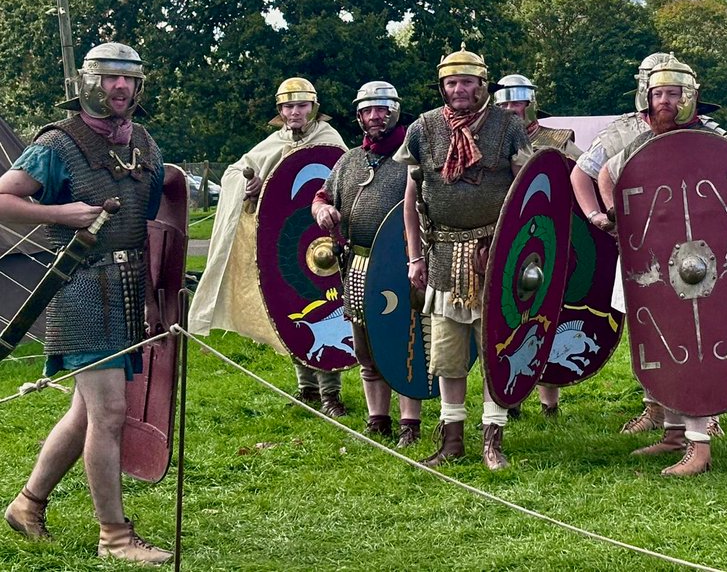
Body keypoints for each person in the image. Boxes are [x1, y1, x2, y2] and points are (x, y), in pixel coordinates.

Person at [0, 43, 171, 563]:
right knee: (109, 413)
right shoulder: (58, 143)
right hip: (81, 289)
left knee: (85, 414)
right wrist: (60, 214)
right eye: (110, 80)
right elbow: (3, 196)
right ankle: (114, 536)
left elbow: (153, 220)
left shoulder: (143, 141)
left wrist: (152, 294)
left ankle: (27, 505)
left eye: (130, 80)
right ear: (87, 84)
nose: (121, 89)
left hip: (126, 290)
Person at [570, 50, 727, 436]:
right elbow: (591, 174)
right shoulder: (625, 132)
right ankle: (658, 409)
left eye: (674, 92)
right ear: (644, 92)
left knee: (702, 328)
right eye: (657, 91)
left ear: (689, 95)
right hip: (645, 248)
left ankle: (706, 411)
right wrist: (605, 215)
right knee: (650, 328)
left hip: (699, 251)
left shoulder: (710, 134)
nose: (665, 100)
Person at [399, 45, 529, 470]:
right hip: (441, 256)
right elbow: (411, 196)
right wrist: (414, 257)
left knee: (495, 349)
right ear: (443, 86)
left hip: (492, 253)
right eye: (452, 82)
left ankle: (493, 439)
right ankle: (452, 440)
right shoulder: (423, 129)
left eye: (466, 82)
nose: (459, 89)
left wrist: (512, 248)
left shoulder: (508, 126)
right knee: (448, 357)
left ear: (481, 85)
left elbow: (527, 191)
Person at [190, 77, 350, 417]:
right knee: (291, 308)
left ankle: (330, 394)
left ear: (314, 108)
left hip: (325, 242)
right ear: (280, 111)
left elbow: (345, 184)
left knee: (326, 313)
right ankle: (306, 387)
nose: (295, 112)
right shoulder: (274, 142)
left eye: (301, 105)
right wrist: (253, 186)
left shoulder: (329, 140)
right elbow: (237, 173)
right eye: (288, 106)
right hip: (288, 244)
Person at [310, 81, 423, 442]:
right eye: (368, 110)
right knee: (367, 349)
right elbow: (321, 196)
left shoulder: (412, 155)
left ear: (395, 111)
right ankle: (378, 419)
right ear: (359, 116)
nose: (375, 116)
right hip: (358, 265)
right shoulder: (349, 161)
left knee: (405, 342)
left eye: (382, 109)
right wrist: (324, 210)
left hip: (403, 263)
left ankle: (410, 422)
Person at [494, 73, 581, 417]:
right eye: (503, 105)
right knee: (508, 317)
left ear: (530, 105)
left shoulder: (556, 140)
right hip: (509, 241)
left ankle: (549, 403)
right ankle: (510, 394)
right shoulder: (491, 141)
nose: (510, 110)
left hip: (549, 238)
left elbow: (580, 173)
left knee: (548, 317)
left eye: (515, 103)